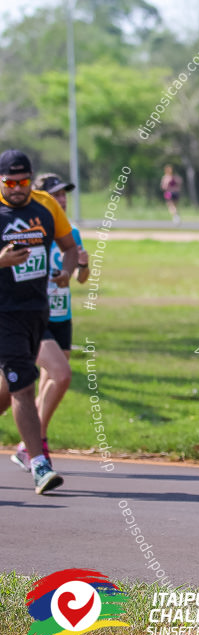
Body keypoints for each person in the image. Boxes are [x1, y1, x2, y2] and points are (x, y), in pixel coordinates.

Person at [0, 150, 80, 494]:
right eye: (11, 183)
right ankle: (39, 464)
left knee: (7, 391)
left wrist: (66, 270)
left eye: (24, 182)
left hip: (36, 309)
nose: (18, 189)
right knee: (23, 386)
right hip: (3, 313)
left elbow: (69, 246)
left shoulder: (46, 205)